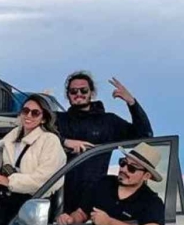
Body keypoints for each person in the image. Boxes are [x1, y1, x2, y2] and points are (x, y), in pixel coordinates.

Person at [56, 71, 153, 215]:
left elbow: (145, 135)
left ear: (92, 93)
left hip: (95, 200)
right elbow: (36, 133)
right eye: (73, 91)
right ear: (68, 95)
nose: (78, 94)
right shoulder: (57, 120)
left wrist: (132, 103)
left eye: (84, 90)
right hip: (59, 199)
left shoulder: (108, 122)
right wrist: (65, 142)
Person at [0, 94, 67, 225]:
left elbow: (45, 180)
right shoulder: (11, 138)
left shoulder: (49, 140)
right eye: (25, 111)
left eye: (35, 113)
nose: (29, 116)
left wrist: (11, 182)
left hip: (34, 209)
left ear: (43, 119)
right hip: (3, 205)